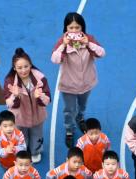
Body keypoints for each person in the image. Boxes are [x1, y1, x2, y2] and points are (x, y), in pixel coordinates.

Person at [51, 11, 105, 148]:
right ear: (66, 29)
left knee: (82, 105)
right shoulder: (62, 43)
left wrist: (89, 44)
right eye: (71, 28)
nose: (74, 31)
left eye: (77, 28)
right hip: (68, 85)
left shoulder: (89, 39)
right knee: (69, 109)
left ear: (82, 28)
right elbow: (55, 59)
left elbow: (101, 53)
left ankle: (80, 118)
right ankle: (69, 130)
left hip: (86, 83)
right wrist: (63, 45)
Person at [3, 49, 51, 163]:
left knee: (37, 134)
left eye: (26, 66)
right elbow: (8, 104)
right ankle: (23, 151)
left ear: (30, 65)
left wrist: (40, 96)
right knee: (21, 136)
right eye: (19, 68)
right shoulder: (10, 81)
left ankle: (35, 151)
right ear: (14, 68)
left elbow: (47, 100)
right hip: (19, 117)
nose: (23, 70)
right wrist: (15, 96)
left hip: (37, 114)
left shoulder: (40, 78)